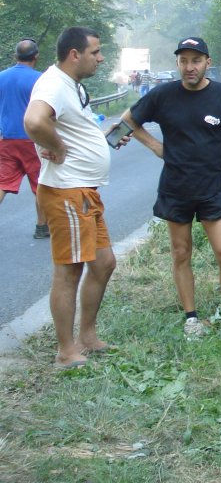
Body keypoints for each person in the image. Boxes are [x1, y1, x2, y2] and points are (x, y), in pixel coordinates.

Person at [120, 37, 221, 338]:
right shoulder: (163, 95)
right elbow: (129, 120)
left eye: (196, 60)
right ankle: (191, 318)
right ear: (177, 63)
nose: (190, 67)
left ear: (207, 62)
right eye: (184, 61)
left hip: (213, 187)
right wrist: (157, 147)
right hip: (176, 187)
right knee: (181, 253)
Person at [23, 27, 120, 368]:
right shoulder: (52, 83)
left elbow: (68, 125)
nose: (100, 58)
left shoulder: (71, 85)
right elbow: (34, 121)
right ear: (74, 54)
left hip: (84, 191)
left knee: (104, 263)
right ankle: (66, 351)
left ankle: (87, 337)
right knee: (70, 271)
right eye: (95, 52)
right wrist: (58, 147)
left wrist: (99, 138)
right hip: (67, 191)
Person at [0, 38, 48, 238]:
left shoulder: (2, 77)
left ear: (15, 56)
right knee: (40, 183)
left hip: (7, 139)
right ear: (36, 56)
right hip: (32, 139)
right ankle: (41, 226)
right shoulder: (41, 80)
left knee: (3, 183)